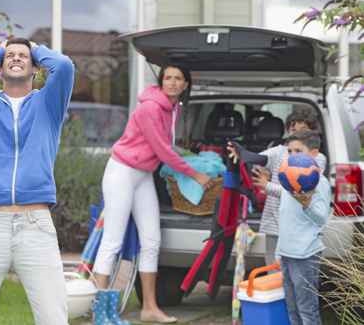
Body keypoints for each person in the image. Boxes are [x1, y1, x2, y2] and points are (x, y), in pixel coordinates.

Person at [0, 37, 74, 325]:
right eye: (10, 56)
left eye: (23, 56)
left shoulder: (48, 104)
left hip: (35, 224)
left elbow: (64, 66)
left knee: (53, 318)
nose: (16, 58)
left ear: (35, 68)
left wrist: (33, 47)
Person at [93, 65, 212, 324]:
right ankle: (101, 314)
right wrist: (196, 175)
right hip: (122, 172)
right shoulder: (150, 108)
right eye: (167, 78)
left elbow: (168, 147)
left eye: (178, 78)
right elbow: (162, 150)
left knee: (152, 241)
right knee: (112, 241)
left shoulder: (173, 108)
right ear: (161, 82)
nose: (171, 82)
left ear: (185, 85)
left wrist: (192, 157)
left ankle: (149, 308)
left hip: (143, 174)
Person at [229, 130, 330, 325]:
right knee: (291, 307)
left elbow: (321, 219)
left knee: (306, 309)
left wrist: (306, 203)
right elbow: (284, 214)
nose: (291, 156)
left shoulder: (319, 183)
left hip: (306, 254)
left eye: (297, 151)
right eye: (289, 151)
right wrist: (279, 252)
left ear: (314, 153)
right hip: (286, 253)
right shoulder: (288, 180)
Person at [249, 110, 326, 266]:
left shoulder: (317, 159)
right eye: (292, 128)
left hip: (298, 224)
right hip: (274, 219)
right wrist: (260, 168)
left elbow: (297, 192)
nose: (295, 132)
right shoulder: (279, 151)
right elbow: (257, 160)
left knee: (295, 273)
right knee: (272, 268)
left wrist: (267, 186)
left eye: (300, 129)